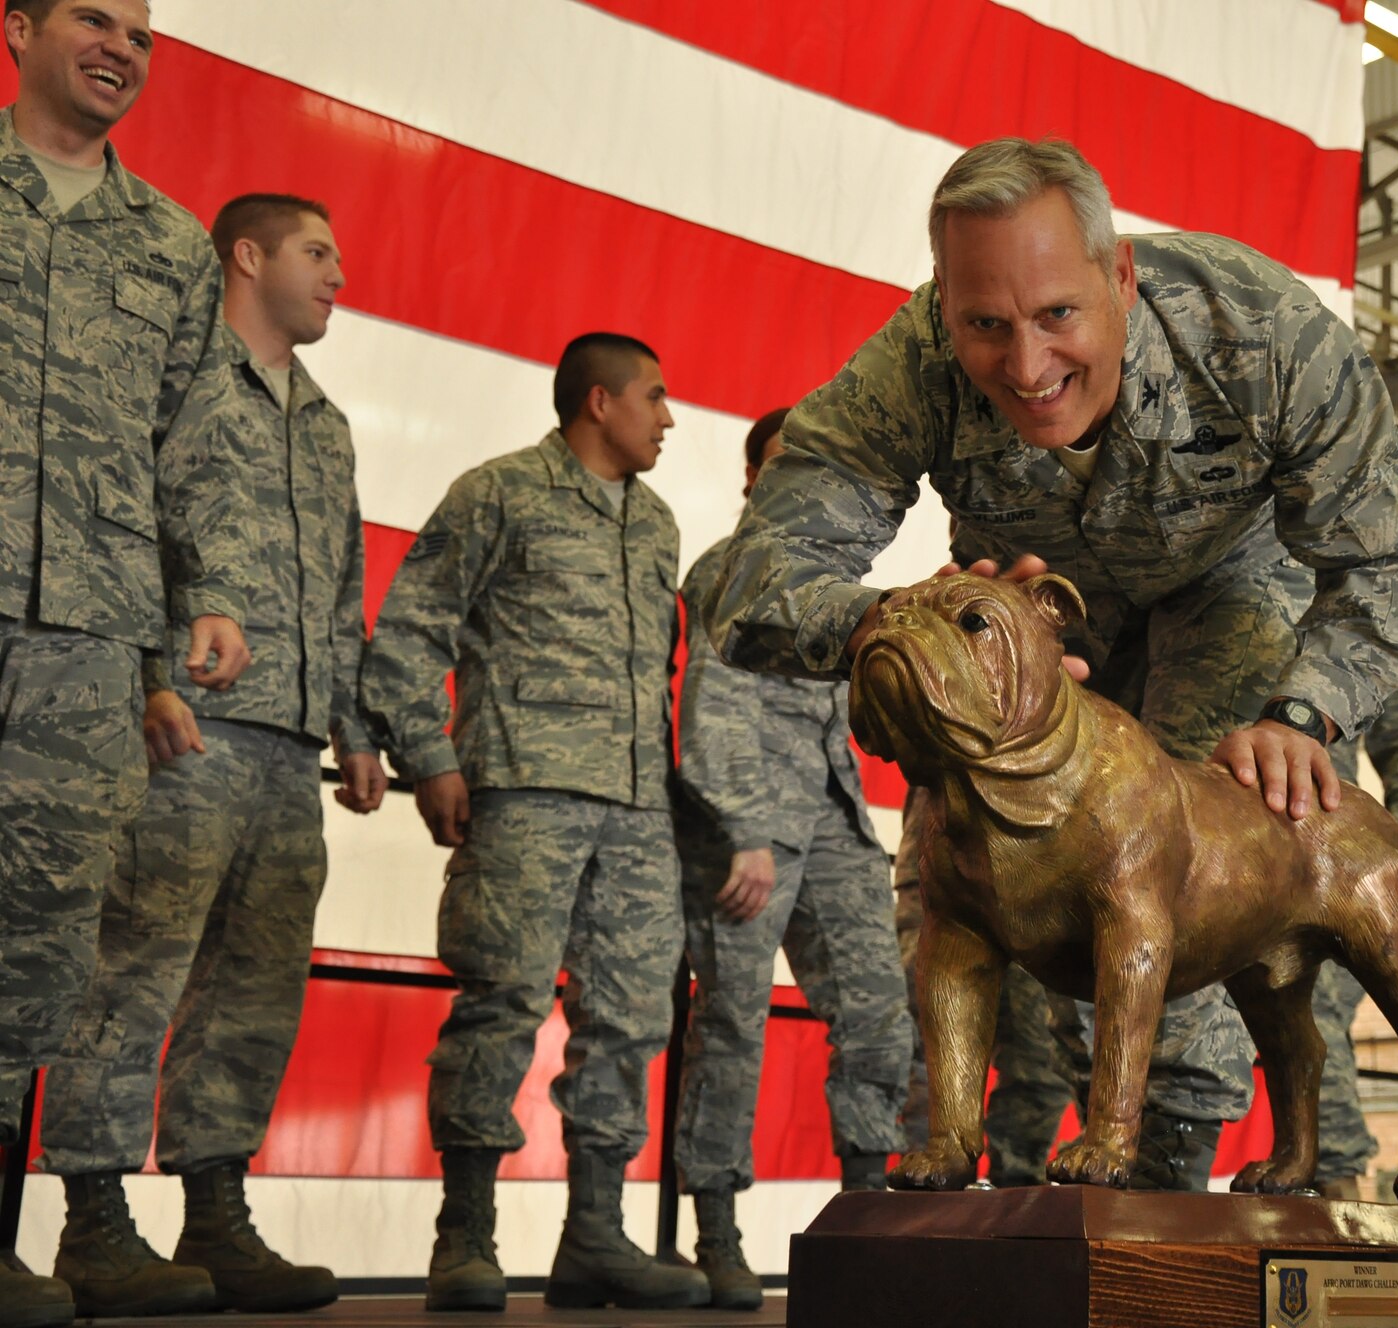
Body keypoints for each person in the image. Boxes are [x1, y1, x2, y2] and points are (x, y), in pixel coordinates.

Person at [710, 136, 1398, 1189]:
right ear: (945, 307)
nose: (1025, 364)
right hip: (1028, 645)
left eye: (1058, 314)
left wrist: (1306, 711)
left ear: (1119, 275)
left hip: (1231, 591)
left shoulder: (1260, 331)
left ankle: (1161, 1179)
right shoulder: (911, 361)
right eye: (985, 325)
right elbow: (762, 574)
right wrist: (907, 627)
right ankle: (971, 1172)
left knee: (1190, 853)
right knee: (958, 889)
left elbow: (1385, 561)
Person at [38, 194, 379, 1319]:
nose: (338, 272)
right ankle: (92, 1214)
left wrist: (354, 725)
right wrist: (143, 675)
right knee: (133, 968)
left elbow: (337, 588)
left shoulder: (324, 421)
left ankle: (215, 1208)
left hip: (288, 743)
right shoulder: (179, 380)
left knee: (253, 989)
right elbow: (121, 525)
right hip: (182, 721)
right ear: (248, 254)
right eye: (316, 251)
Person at [361, 333, 706, 1312]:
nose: (669, 416)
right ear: (598, 401)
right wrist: (427, 758)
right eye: (655, 394)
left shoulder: (658, 526)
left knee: (631, 1022)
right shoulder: (499, 492)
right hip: (522, 795)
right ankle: (462, 1236)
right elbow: (409, 630)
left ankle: (593, 1237)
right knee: (500, 1004)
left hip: (637, 815)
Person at [0, 3, 252, 1322]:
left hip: (84, 643)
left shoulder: (168, 245)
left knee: (34, 943)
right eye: (93, 18)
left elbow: (196, 445)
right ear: (18, 25)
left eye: (143, 33)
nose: (122, 46)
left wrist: (200, 601)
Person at [671, 408, 912, 1311]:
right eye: (781, 466)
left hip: (835, 817)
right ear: (751, 479)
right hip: (748, 833)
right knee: (732, 1025)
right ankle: (718, 1235)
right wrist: (741, 829)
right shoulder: (729, 570)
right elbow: (713, 699)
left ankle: (864, 1217)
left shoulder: (829, 577)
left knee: (880, 1015)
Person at [894, 786, 1071, 1187]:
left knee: (1039, 1059)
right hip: (946, 866)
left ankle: (1014, 1212)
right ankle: (923, 1219)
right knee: (936, 1057)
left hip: (1039, 870)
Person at [1312, 677, 1398, 1199]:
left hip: (1323, 867)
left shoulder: (1355, 619)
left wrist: (1382, 881)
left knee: (1312, 1017)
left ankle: (1339, 1212)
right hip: (1206, 853)